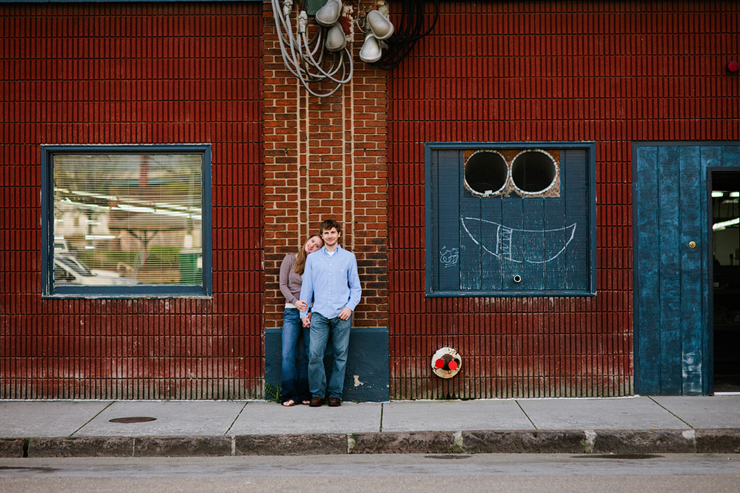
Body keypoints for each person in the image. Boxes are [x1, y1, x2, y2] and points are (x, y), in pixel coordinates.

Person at [296, 219, 361, 407]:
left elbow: (355, 287)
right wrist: (303, 314)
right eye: (326, 233)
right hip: (319, 314)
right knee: (315, 354)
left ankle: (335, 394)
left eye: (333, 232)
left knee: (341, 355)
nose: (330, 236)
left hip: (342, 314)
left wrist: (349, 307)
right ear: (322, 235)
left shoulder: (349, 257)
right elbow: (307, 287)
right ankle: (317, 393)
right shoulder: (314, 259)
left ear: (339, 234)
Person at [279, 233, 324, 407]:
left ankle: (306, 393)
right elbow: (283, 285)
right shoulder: (290, 259)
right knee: (288, 353)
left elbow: (319, 289)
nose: (312, 245)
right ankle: (289, 395)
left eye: (318, 245)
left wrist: (311, 311)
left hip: (310, 315)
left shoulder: (317, 265)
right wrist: (295, 302)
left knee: (309, 353)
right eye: (312, 241)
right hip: (291, 313)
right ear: (307, 241)